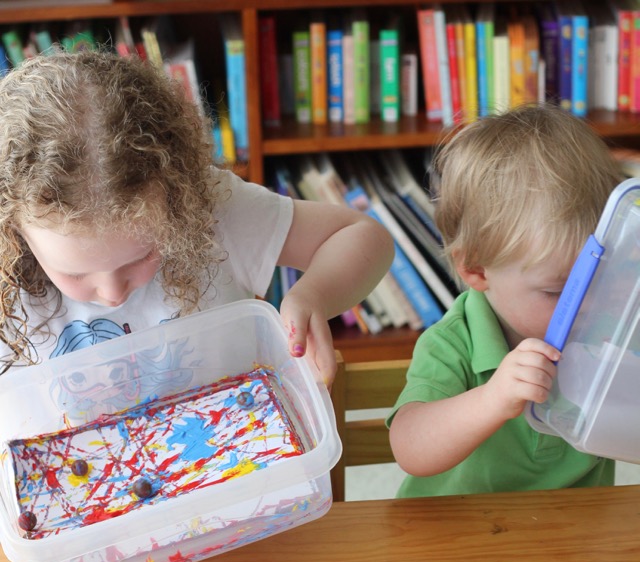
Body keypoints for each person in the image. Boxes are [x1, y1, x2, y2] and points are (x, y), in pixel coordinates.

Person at [0, 50, 394, 385]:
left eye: (139, 257)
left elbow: (362, 236)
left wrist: (312, 296)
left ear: (177, 194)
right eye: (75, 273)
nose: (112, 293)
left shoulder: (214, 209)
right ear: (13, 226)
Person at [387, 104, 624, 497]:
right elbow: (410, 448)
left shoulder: (603, 325)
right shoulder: (453, 343)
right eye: (556, 291)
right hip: (460, 539)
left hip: (575, 540)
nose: (585, 305)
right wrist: (492, 398)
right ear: (476, 270)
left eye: (597, 281)